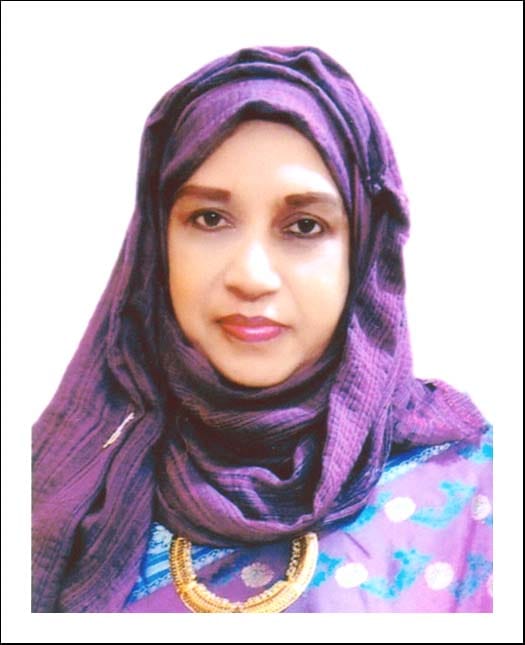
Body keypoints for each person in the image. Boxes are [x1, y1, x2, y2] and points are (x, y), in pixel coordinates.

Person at [31, 45, 492, 613]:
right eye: (209, 219)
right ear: (156, 245)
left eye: (304, 226)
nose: (250, 276)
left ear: (363, 253)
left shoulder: (474, 495)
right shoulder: (67, 487)